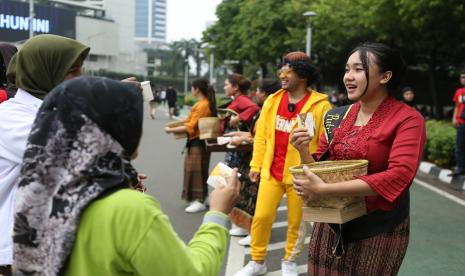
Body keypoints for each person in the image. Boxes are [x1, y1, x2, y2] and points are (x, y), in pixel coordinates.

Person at [12, 76, 240, 275]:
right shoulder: (130, 209)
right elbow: (192, 272)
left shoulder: (35, 192)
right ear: (114, 127)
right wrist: (217, 214)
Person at [292, 42, 426, 275]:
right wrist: (303, 150)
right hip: (331, 222)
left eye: (358, 69)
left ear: (385, 76)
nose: (348, 77)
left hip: (379, 226)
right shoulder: (336, 116)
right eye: (347, 69)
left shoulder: (408, 119)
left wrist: (324, 190)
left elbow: (400, 175)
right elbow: (320, 169)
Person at [234, 52, 331, 276]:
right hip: (271, 172)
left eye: (288, 70)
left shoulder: (320, 106)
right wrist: (256, 166)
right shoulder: (273, 100)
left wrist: (315, 171)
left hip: (301, 175)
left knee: (296, 223)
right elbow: (261, 137)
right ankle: (258, 262)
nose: (282, 74)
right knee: (261, 217)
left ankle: (289, 262)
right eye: (282, 69)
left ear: (303, 75)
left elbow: (322, 144)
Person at [0, 34, 90, 275]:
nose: (80, 78)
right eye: (72, 71)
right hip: (16, 255)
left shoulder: (52, 110)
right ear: (44, 73)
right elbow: (72, 155)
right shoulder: (10, 119)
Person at [224, 78, 281, 246]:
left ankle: (256, 233)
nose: (255, 94)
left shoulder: (271, 110)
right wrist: (243, 136)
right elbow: (258, 135)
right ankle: (246, 227)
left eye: (259, 91)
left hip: (263, 161)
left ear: (264, 93)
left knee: (257, 199)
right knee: (245, 195)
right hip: (253, 158)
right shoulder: (264, 109)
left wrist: (244, 139)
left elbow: (267, 139)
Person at [165, 78, 217, 213]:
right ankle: (200, 199)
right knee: (197, 170)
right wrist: (176, 125)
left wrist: (171, 130)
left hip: (198, 142)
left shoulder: (202, 105)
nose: (191, 90)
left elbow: (190, 126)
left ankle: (199, 200)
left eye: (192, 88)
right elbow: (189, 121)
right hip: (198, 141)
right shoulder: (203, 104)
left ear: (197, 89)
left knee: (196, 171)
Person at [451, 69, 465, 176]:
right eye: (462, 77)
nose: (463, 79)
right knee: (459, 146)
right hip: (461, 123)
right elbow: (456, 106)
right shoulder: (459, 91)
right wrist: (454, 119)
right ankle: (460, 167)